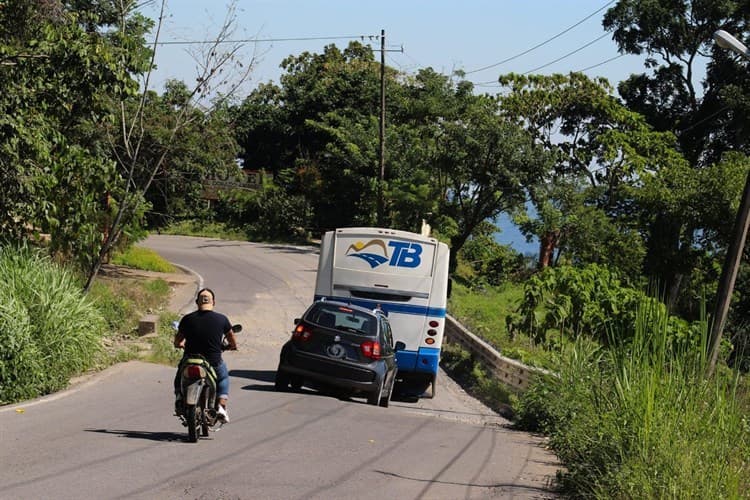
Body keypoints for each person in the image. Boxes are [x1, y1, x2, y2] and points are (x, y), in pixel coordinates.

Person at [173, 287, 237, 423]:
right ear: (213, 302)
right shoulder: (222, 319)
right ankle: (221, 407)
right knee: (223, 378)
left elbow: (178, 339)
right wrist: (233, 346)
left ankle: (179, 397)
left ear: (197, 302)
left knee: (179, 375)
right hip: (213, 362)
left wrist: (179, 344)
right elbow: (231, 336)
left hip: (190, 360)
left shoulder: (187, 319)